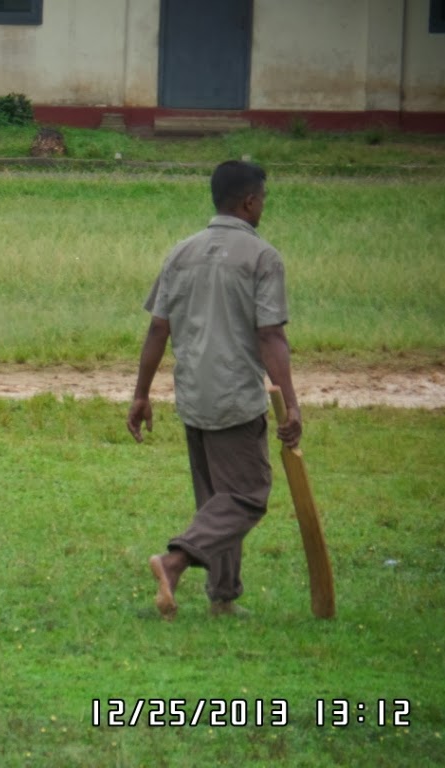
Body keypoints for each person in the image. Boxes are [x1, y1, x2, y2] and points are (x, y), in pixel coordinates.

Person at [126, 160, 302, 621]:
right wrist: (291, 403)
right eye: (262, 199)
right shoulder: (262, 257)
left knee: (215, 502)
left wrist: (141, 395)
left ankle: (222, 597)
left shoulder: (180, 253)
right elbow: (270, 335)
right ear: (249, 201)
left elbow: (158, 329)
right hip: (234, 397)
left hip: (193, 395)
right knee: (247, 496)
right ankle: (174, 562)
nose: (263, 206)